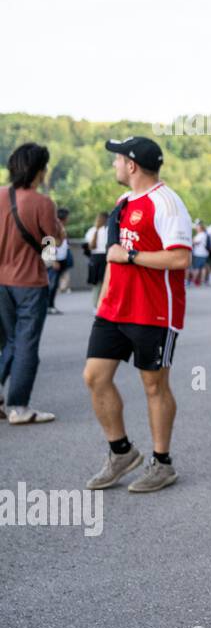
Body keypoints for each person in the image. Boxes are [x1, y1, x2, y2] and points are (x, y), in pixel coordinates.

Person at [83, 136, 192, 492]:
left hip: (154, 311)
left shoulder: (167, 203)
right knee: (95, 377)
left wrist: (130, 257)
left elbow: (180, 258)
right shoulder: (123, 201)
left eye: (116, 159)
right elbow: (115, 253)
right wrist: (104, 299)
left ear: (131, 165)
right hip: (114, 309)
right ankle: (121, 452)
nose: (113, 164)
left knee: (153, 385)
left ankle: (162, 463)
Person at [0, 142, 62, 424]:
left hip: (1, 282)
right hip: (29, 283)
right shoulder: (42, 202)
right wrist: (55, 234)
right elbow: (50, 247)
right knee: (26, 344)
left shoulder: (1, 196)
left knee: (9, 341)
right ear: (39, 170)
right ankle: (19, 407)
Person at [46, 208, 71, 314]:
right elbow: (49, 242)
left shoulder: (59, 226)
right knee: (52, 284)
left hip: (61, 258)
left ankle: (51, 306)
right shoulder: (55, 226)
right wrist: (53, 260)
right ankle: (49, 306)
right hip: (55, 259)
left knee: (54, 284)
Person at [84, 211, 109, 308]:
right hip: (105, 257)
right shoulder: (108, 230)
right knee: (104, 283)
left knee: (96, 284)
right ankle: (101, 305)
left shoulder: (91, 230)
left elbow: (90, 246)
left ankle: (96, 305)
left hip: (94, 258)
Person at [189, 221, 208, 287]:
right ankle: (202, 281)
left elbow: (194, 242)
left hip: (199, 253)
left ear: (201, 228)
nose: (196, 228)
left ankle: (193, 281)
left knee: (196, 267)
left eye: (197, 227)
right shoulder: (203, 234)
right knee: (202, 268)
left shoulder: (201, 235)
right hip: (203, 253)